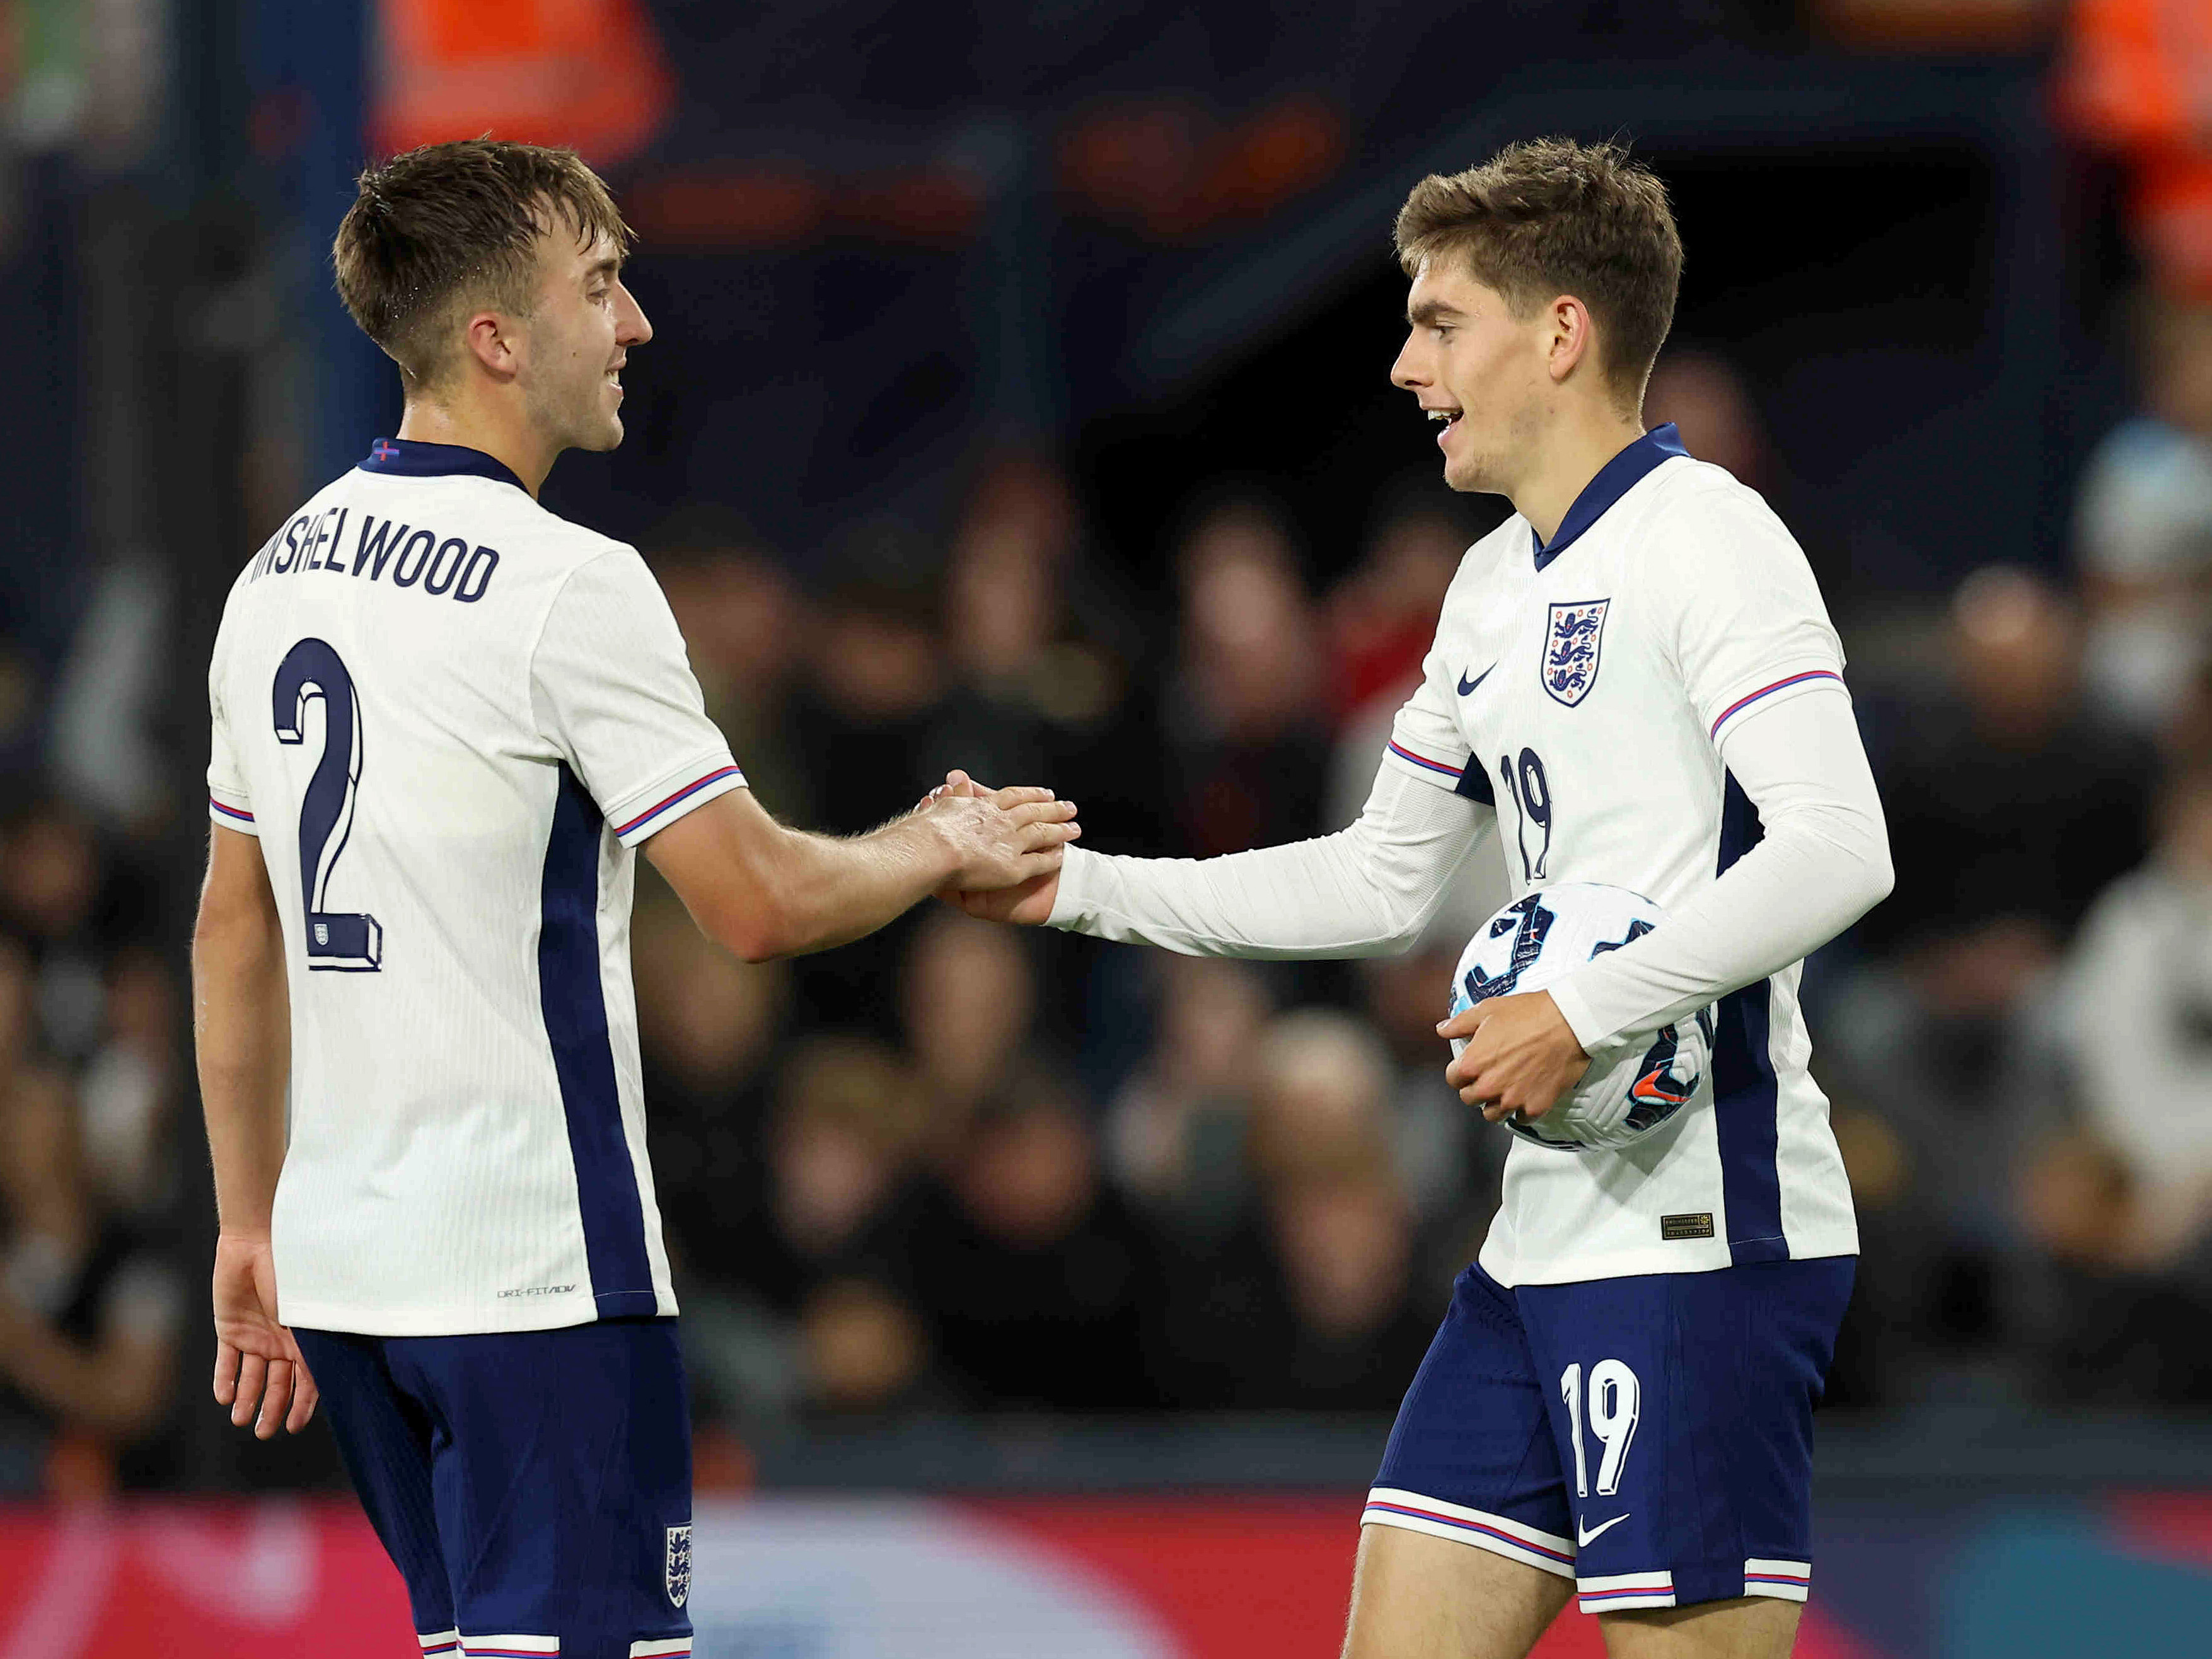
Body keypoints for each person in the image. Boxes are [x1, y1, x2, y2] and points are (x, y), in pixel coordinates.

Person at [943, 137, 1891, 1659]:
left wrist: (1579, 1006)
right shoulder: (1489, 587)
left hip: (1703, 1237)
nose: (1402, 365)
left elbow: (1843, 844)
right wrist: (1076, 887)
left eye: (1442, 322)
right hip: (1537, 1240)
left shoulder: (1710, 539)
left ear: (1562, 332)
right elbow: (1380, 876)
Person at [189, 139, 1077, 1659]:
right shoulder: (565, 583)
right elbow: (757, 900)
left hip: (349, 1276)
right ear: (494, 338)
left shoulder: (273, 577)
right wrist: (943, 842)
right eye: (599, 286)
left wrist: (241, 1218)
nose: (636, 324)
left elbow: (232, 921)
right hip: (535, 1278)